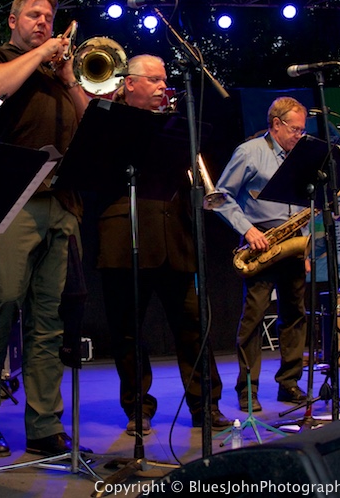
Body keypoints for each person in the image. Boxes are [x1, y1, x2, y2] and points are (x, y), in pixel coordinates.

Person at [0, 0, 90, 457]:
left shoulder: (58, 74)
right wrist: (41, 54)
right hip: (10, 202)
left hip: (62, 203)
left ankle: (44, 426)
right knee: (0, 308)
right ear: (13, 19)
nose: (43, 21)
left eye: (49, 16)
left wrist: (70, 74)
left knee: (48, 321)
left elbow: (92, 126)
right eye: (33, 15)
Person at [95, 54, 231, 435]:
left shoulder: (176, 125)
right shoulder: (106, 118)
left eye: (164, 80)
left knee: (193, 323)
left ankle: (206, 404)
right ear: (130, 84)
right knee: (128, 332)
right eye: (153, 80)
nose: (162, 87)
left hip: (177, 237)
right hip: (126, 237)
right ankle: (138, 409)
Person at [213, 96, 309, 411]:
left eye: (302, 130)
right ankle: (247, 390)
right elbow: (220, 196)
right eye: (294, 129)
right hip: (261, 241)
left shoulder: (300, 155)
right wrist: (248, 230)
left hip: (293, 239)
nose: (299, 135)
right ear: (276, 124)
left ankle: (289, 383)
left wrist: (304, 244)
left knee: (295, 315)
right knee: (254, 317)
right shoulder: (249, 152)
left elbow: (302, 205)